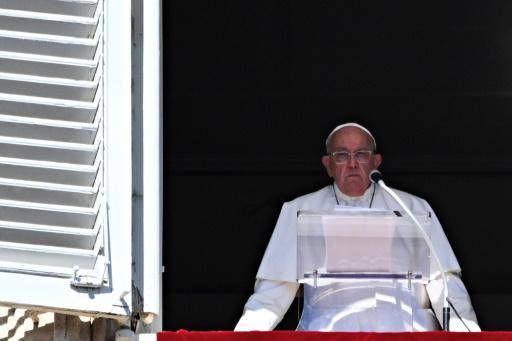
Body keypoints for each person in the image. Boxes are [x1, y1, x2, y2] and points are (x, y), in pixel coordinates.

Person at [235, 123, 480, 332]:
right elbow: (273, 291)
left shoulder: (413, 208)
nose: (352, 164)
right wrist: (243, 336)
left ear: (376, 161)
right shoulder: (299, 209)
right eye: (341, 155)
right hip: (330, 331)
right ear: (328, 165)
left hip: (405, 330)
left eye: (361, 154)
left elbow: (444, 282)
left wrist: (468, 334)